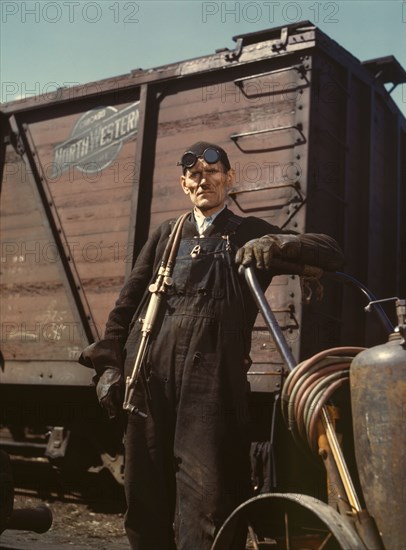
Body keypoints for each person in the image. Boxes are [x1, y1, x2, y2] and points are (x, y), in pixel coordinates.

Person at [79, 141, 344, 550]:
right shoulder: (167, 236)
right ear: (185, 184)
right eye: (196, 175)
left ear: (229, 179)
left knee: (210, 500)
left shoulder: (249, 232)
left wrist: (277, 245)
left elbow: (329, 250)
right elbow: (126, 307)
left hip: (212, 387)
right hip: (150, 381)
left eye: (212, 173)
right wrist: (110, 367)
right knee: (144, 497)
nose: (204, 180)